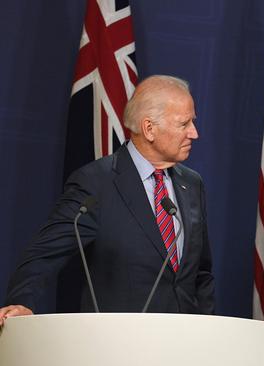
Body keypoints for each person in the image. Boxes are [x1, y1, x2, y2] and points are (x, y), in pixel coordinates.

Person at [0, 75, 215, 325]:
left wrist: (206, 328)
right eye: (184, 124)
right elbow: (43, 254)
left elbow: (201, 272)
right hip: (118, 344)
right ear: (149, 128)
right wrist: (22, 302)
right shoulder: (96, 183)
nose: (194, 133)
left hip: (184, 344)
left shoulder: (192, 183)